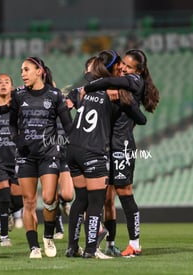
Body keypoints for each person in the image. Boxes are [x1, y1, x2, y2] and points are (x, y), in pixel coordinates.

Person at [83, 49, 160, 257]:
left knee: (125, 193)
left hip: (121, 147)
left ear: (139, 71)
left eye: (129, 66)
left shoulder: (132, 83)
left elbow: (136, 116)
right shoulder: (122, 84)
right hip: (107, 146)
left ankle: (135, 243)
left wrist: (87, 88)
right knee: (106, 197)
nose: (124, 68)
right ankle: (108, 243)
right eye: (123, 64)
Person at [9, 56, 72, 258]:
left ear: (39, 71)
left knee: (49, 198)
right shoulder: (18, 95)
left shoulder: (54, 95)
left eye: (26, 69)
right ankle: (34, 247)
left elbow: (68, 126)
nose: (22, 74)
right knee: (29, 202)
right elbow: (12, 123)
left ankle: (48, 236)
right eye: (21, 70)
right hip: (26, 156)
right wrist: (18, 141)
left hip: (49, 154)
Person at [65, 50, 124, 259]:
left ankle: (72, 247)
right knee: (96, 202)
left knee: (80, 200)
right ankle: (91, 249)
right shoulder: (111, 91)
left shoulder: (80, 91)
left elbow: (64, 107)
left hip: (73, 149)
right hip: (93, 150)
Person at [0, 73, 23, 246]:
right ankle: (4, 237)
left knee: (18, 201)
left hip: (16, 158)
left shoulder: (17, 107)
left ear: (11, 86)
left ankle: (7, 213)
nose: (3, 84)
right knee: (3, 198)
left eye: (6, 82)